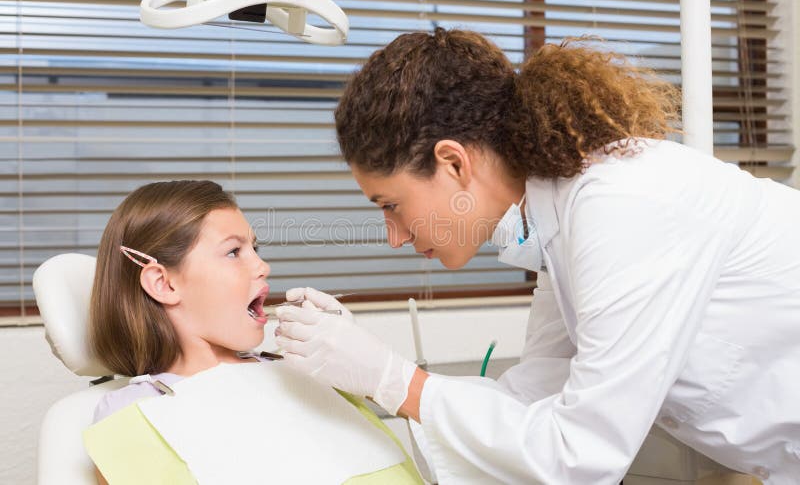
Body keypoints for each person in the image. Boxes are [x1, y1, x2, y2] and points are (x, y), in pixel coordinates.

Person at [274, 29, 800, 484]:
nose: (394, 236)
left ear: (453, 163)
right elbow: (537, 393)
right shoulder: (555, 222)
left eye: (391, 205)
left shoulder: (620, 206)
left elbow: (580, 456)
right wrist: (367, 370)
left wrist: (393, 379)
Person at [85, 180, 422, 485]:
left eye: (255, 250)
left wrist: (374, 377)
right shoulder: (135, 414)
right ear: (164, 283)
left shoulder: (305, 373)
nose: (263, 267)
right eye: (233, 252)